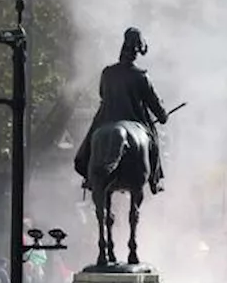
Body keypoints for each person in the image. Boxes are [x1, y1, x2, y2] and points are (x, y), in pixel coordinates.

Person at [73, 27, 170, 194]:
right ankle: (154, 179)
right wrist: (163, 115)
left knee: (90, 142)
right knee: (153, 143)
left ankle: (89, 177)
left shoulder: (107, 73)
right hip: (135, 120)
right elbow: (154, 105)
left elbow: (102, 93)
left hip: (106, 118)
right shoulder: (141, 76)